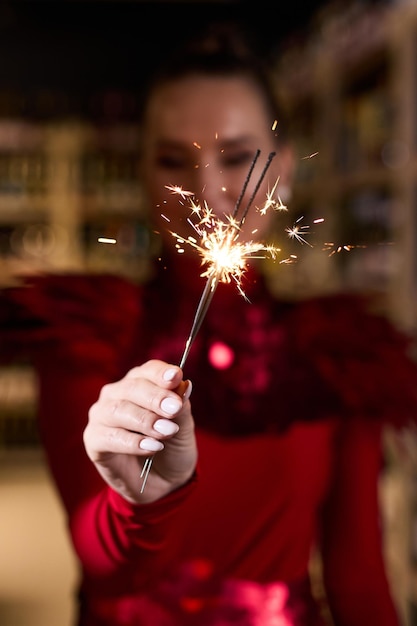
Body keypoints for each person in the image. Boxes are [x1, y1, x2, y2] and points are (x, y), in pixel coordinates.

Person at [1, 20, 417, 626]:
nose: (206, 192)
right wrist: (138, 502)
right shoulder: (88, 335)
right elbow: (103, 565)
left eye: (238, 159)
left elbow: (358, 578)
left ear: (284, 170)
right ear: (141, 171)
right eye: (173, 159)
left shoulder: (339, 356)